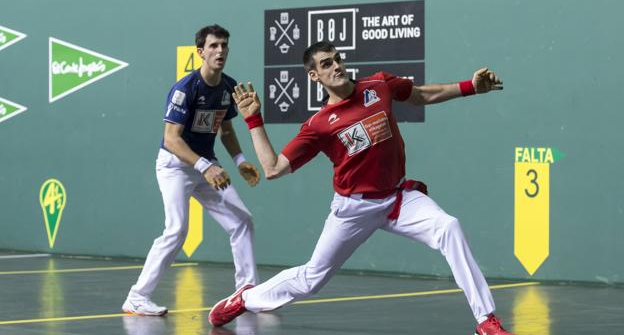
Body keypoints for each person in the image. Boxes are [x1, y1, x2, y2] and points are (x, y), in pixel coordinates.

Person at [209, 41, 513, 335]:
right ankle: (245, 298)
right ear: (314, 75)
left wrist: (470, 87)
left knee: (449, 227)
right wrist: (253, 119)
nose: (337, 66)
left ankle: (485, 320)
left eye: (338, 58)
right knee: (311, 279)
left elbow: (420, 95)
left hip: (398, 198)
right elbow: (273, 168)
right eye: (326, 63)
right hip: (353, 209)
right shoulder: (319, 125)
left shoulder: (378, 85)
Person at [122, 24, 260, 316]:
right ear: (200, 52)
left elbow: (226, 131)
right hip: (175, 165)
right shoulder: (185, 89)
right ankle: (137, 296)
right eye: (213, 46)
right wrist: (204, 167)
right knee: (177, 229)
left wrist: (239, 161)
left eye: (224, 45)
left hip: (207, 165)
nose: (220, 50)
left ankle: (246, 293)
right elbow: (172, 139)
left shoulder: (227, 88)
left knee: (242, 221)